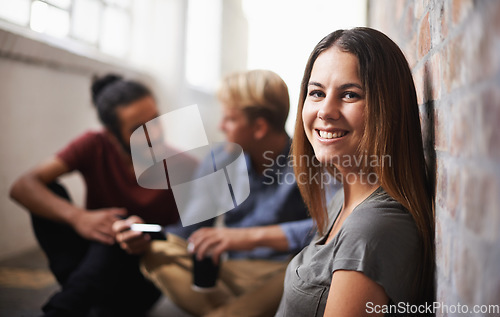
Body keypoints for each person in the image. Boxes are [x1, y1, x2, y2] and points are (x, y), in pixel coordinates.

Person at [114, 70, 332, 317]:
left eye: (229, 119)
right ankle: (241, 310)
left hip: (284, 271)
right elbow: (190, 230)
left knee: (305, 269)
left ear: (259, 127)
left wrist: (244, 238)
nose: (220, 126)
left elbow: (331, 230)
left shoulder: (312, 162)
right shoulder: (218, 160)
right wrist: (147, 233)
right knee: (156, 253)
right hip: (230, 270)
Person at [275, 27, 435, 316]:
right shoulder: (345, 199)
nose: (325, 110)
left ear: (388, 107)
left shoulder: (371, 230)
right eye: (317, 93)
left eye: (349, 95)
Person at [9, 74, 187, 317]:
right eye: (137, 129)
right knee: (51, 192)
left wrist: (145, 235)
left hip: (140, 282)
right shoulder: (95, 145)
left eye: (156, 120)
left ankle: (65, 307)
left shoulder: (184, 167)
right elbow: (22, 186)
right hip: (89, 270)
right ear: (112, 135)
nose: (154, 133)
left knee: (116, 232)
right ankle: (78, 300)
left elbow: (192, 240)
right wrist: (79, 218)